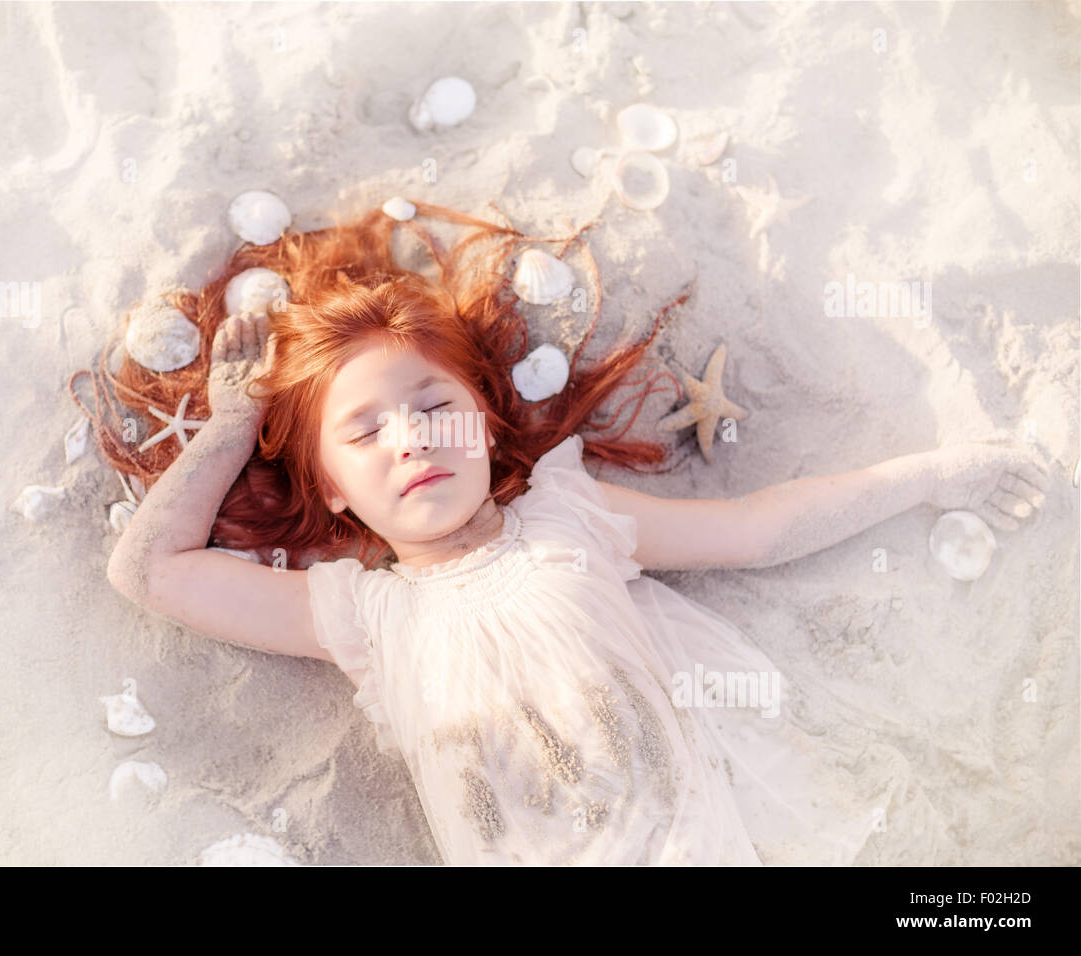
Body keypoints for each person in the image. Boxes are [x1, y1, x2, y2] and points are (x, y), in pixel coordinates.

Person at [77, 201, 1050, 865]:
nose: (411, 437)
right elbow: (150, 569)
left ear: (487, 421)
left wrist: (931, 473)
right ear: (332, 492)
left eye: (432, 405)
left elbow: (755, 530)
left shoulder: (567, 517)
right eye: (365, 432)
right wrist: (234, 425)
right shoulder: (365, 617)